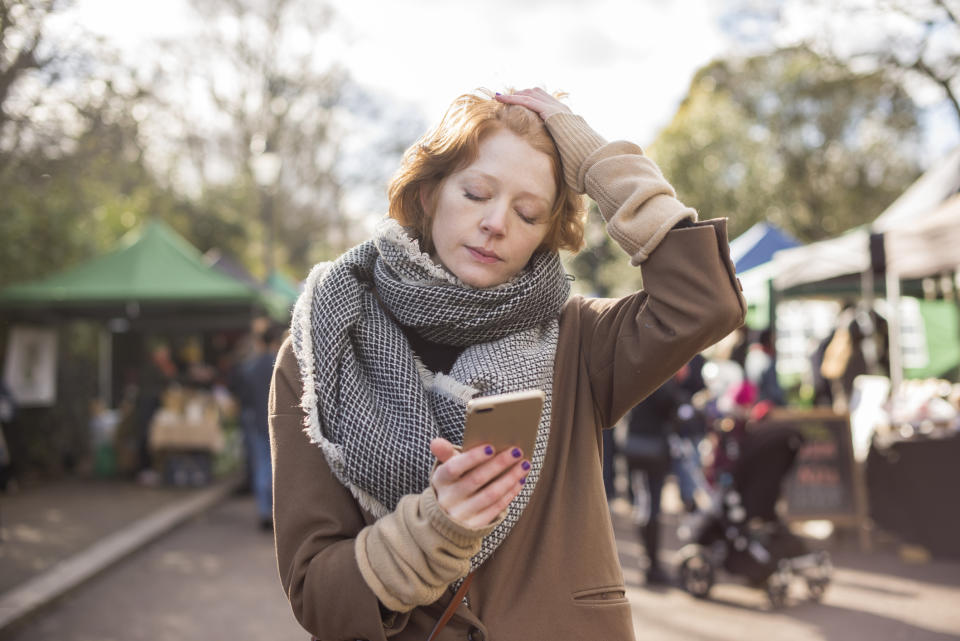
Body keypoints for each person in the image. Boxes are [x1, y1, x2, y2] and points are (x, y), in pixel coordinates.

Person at [269, 87, 745, 640]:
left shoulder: (581, 340)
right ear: (428, 194)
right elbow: (315, 592)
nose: (497, 223)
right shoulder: (323, 343)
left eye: (528, 212)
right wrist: (430, 533)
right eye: (475, 193)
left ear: (547, 233)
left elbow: (704, 301)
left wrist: (595, 161)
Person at [624, 377, 683, 585]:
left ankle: (651, 562)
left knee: (648, 508)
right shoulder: (660, 378)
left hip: (643, 447)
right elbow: (672, 405)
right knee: (648, 509)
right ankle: (651, 564)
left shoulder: (650, 375)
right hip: (647, 450)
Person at [238, 325, 283, 530]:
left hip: (256, 420)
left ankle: (264, 510)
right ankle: (276, 510)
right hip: (276, 422)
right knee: (276, 466)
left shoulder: (251, 366)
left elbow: (242, 394)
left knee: (262, 466)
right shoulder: (280, 364)